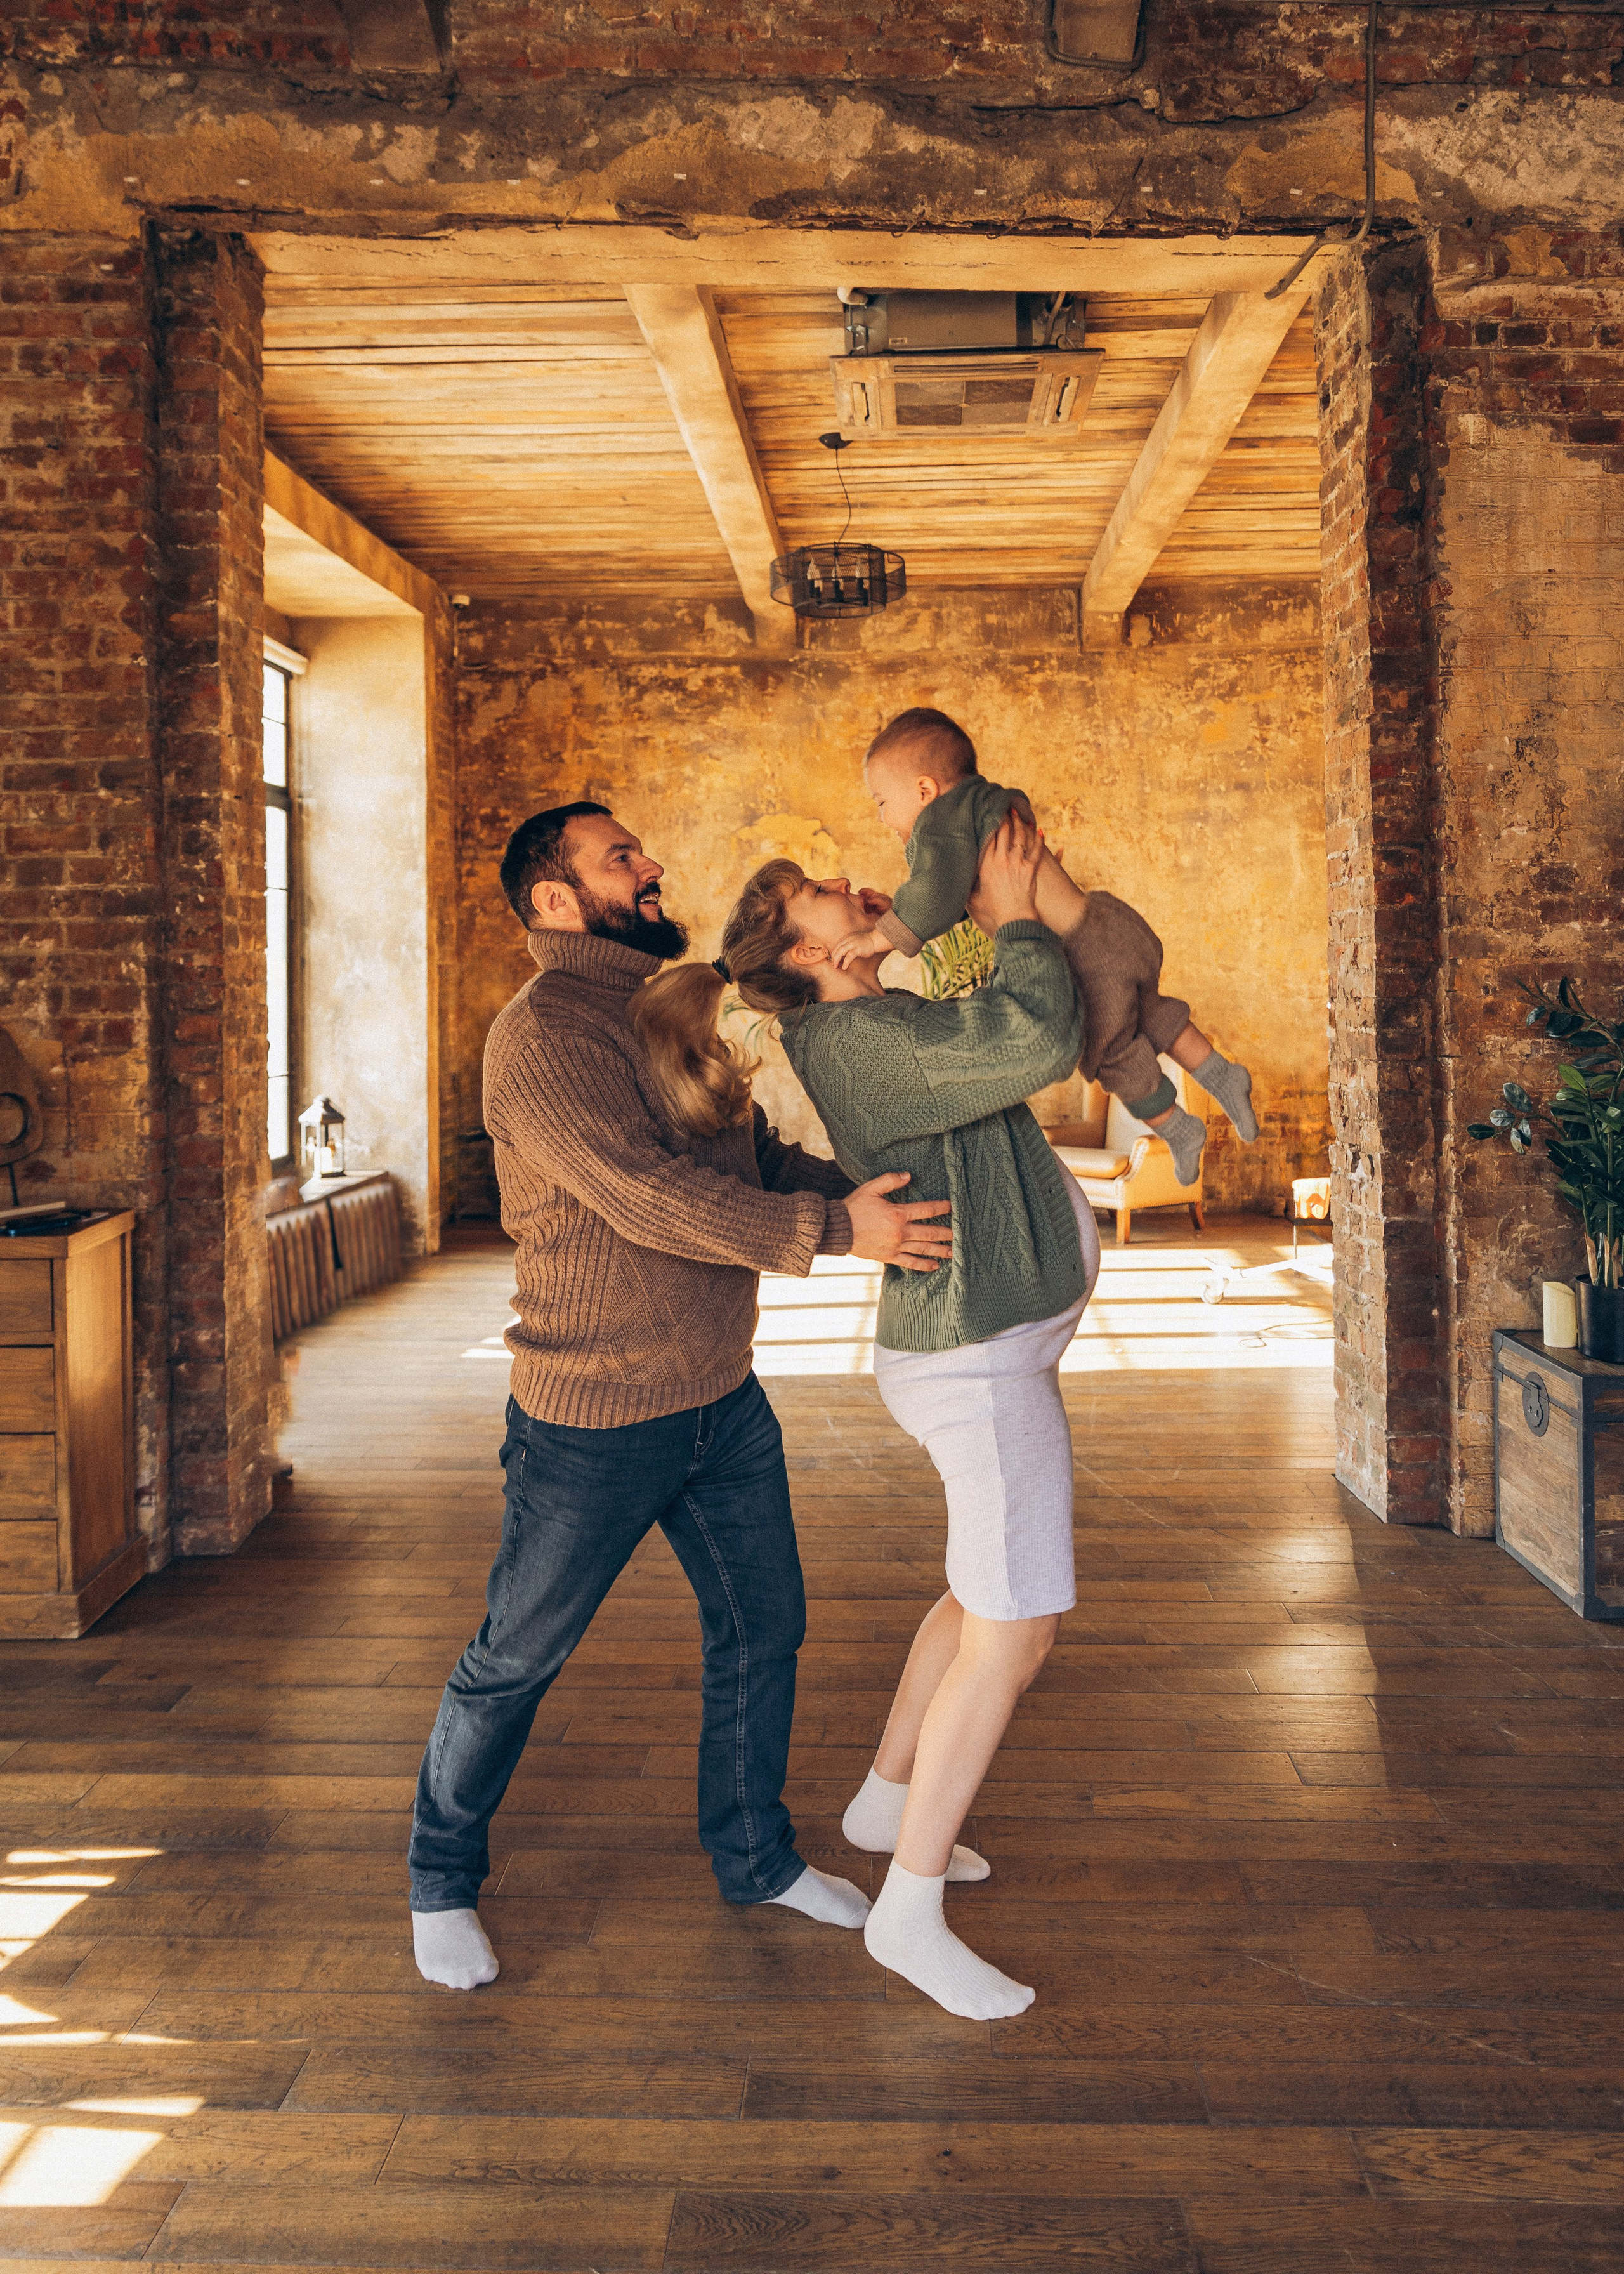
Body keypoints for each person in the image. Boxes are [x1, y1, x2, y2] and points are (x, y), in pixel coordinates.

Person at [408, 801, 955, 1991]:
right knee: (517, 1655)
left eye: (642, 848)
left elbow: (742, 1155)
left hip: (720, 1398)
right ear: (556, 900)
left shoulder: (662, 1004)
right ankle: (441, 1876)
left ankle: (755, 1856)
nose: (652, 866)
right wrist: (832, 1232)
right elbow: (642, 1192)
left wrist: (871, 1187)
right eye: (621, 858)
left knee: (763, 1626)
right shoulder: (543, 1032)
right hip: (591, 1418)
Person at [634, 811, 1097, 2020]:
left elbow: (956, 986)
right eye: (816, 897)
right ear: (808, 957)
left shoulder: (874, 1014)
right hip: (977, 1366)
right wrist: (1020, 919)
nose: (848, 884)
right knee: (1019, 1627)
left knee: (976, 1593)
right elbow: (1039, 1032)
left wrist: (947, 909)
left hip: (983, 1348)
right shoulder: (860, 1034)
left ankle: (890, 1798)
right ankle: (910, 1905)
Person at [834, 706, 1259, 1186]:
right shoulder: (986, 805)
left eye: (882, 801)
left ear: (925, 790)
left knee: (1111, 1055)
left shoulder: (941, 823)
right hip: (1107, 924)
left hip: (1082, 957)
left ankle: (1177, 1129)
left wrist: (878, 936)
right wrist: (897, 917)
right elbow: (958, 897)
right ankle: (1222, 1074)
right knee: (1151, 1012)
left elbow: (935, 893)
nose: (880, 818)